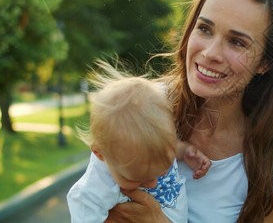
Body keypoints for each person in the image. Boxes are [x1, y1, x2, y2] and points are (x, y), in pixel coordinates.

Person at [107, 0, 273, 222]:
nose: (210, 53)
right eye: (205, 29)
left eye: (237, 42)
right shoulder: (136, 108)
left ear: (265, 62)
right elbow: (93, 201)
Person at [67, 60, 211, 223]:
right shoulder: (96, 186)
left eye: (162, 170)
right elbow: (83, 208)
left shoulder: (154, 149)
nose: (152, 183)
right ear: (100, 154)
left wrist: (185, 152)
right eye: (137, 178)